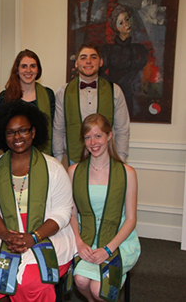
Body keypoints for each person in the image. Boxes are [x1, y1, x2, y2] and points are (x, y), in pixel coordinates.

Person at [0, 101, 75, 302]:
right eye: (10, 132)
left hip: (47, 232)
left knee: (32, 282)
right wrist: (5, 236)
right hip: (4, 230)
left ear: (34, 132)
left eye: (23, 131)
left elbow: (63, 212)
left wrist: (33, 237)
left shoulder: (53, 168)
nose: (17, 137)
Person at [68, 114, 140, 302]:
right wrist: (79, 243)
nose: (93, 142)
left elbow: (131, 219)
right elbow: (72, 213)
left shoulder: (127, 173)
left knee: (99, 288)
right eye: (87, 137)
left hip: (118, 241)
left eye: (98, 135)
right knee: (81, 280)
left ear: (109, 135)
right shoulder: (74, 172)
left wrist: (107, 250)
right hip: (87, 239)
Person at [53, 42, 130, 165]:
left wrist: (120, 160)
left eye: (93, 57)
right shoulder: (63, 92)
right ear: (77, 63)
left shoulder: (115, 91)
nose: (88, 61)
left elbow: (122, 129)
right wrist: (58, 160)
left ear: (101, 62)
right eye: (83, 58)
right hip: (74, 160)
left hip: (107, 160)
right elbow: (58, 129)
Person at [0, 49, 55, 155]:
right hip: (13, 154)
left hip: (42, 154)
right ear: (17, 70)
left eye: (33, 66)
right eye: (24, 66)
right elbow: (0, 131)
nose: (28, 70)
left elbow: (53, 128)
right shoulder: (5, 97)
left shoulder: (48, 95)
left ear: (38, 70)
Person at [101, 4, 148, 117]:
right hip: (115, 96)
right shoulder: (109, 50)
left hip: (133, 94)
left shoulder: (139, 49)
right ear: (115, 27)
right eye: (121, 23)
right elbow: (100, 72)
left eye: (127, 19)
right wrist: (112, 87)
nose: (126, 24)